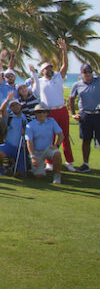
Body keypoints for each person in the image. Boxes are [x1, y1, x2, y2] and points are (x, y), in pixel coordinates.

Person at [28, 38, 76, 172]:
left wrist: (64, 51)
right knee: (50, 137)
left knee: (65, 136)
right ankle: (49, 162)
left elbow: (65, 66)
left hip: (61, 110)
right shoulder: (39, 81)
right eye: (46, 69)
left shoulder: (58, 78)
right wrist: (32, 73)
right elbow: (33, 91)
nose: (49, 70)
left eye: (50, 68)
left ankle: (69, 162)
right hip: (48, 112)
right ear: (42, 71)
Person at [69, 63, 100, 172]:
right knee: (86, 140)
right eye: (85, 72)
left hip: (98, 114)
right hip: (85, 116)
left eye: (89, 71)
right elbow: (71, 99)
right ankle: (85, 164)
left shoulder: (98, 81)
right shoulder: (77, 85)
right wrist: (73, 114)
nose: (88, 74)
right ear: (81, 73)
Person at [25, 103, 63, 184]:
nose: (41, 114)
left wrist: (56, 145)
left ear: (46, 113)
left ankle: (57, 175)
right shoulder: (30, 125)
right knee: (39, 176)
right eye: (39, 112)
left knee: (57, 154)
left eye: (44, 112)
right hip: (36, 152)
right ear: (35, 114)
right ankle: (38, 168)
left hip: (48, 149)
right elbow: (29, 142)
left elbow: (61, 135)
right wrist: (33, 157)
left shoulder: (52, 121)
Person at [0, 93, 28, 176]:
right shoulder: (9, 117)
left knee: (22, 174)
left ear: (20, 106)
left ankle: (13, 165)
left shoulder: (26, 118)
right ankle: (1, 168)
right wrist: (7, 100)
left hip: (21, 148)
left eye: (16, 105)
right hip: (9, 145)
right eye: (12, 106)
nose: (15, 107)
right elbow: (2, 110)